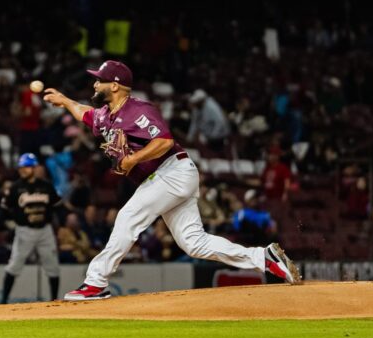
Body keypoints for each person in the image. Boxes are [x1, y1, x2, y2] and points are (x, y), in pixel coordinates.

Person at [43, 60, 300, 301]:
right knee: (194, 243)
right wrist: (65, 101)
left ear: (115, 85)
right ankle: (264, 258)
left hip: (171, 171)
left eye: (100, 80)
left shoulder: (138, 110)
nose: (95, 84)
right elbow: (85, 113)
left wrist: (133, 160)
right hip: (166, 178)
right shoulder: (106, 115)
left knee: (128, 216)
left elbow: (164, 140)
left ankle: (96, 282)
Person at [0, 153, 62, 304]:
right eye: (21, 167)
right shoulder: (16, 187)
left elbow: (57, 205)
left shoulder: (46, 186)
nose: (23, 170)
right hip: (25, 231)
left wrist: (60, 225)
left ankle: (55, 299)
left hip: (45, 230)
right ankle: (4, 301)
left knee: (52, 266)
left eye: (26, 167)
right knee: (14, 264)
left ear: (34, 167)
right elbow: (4, 208)